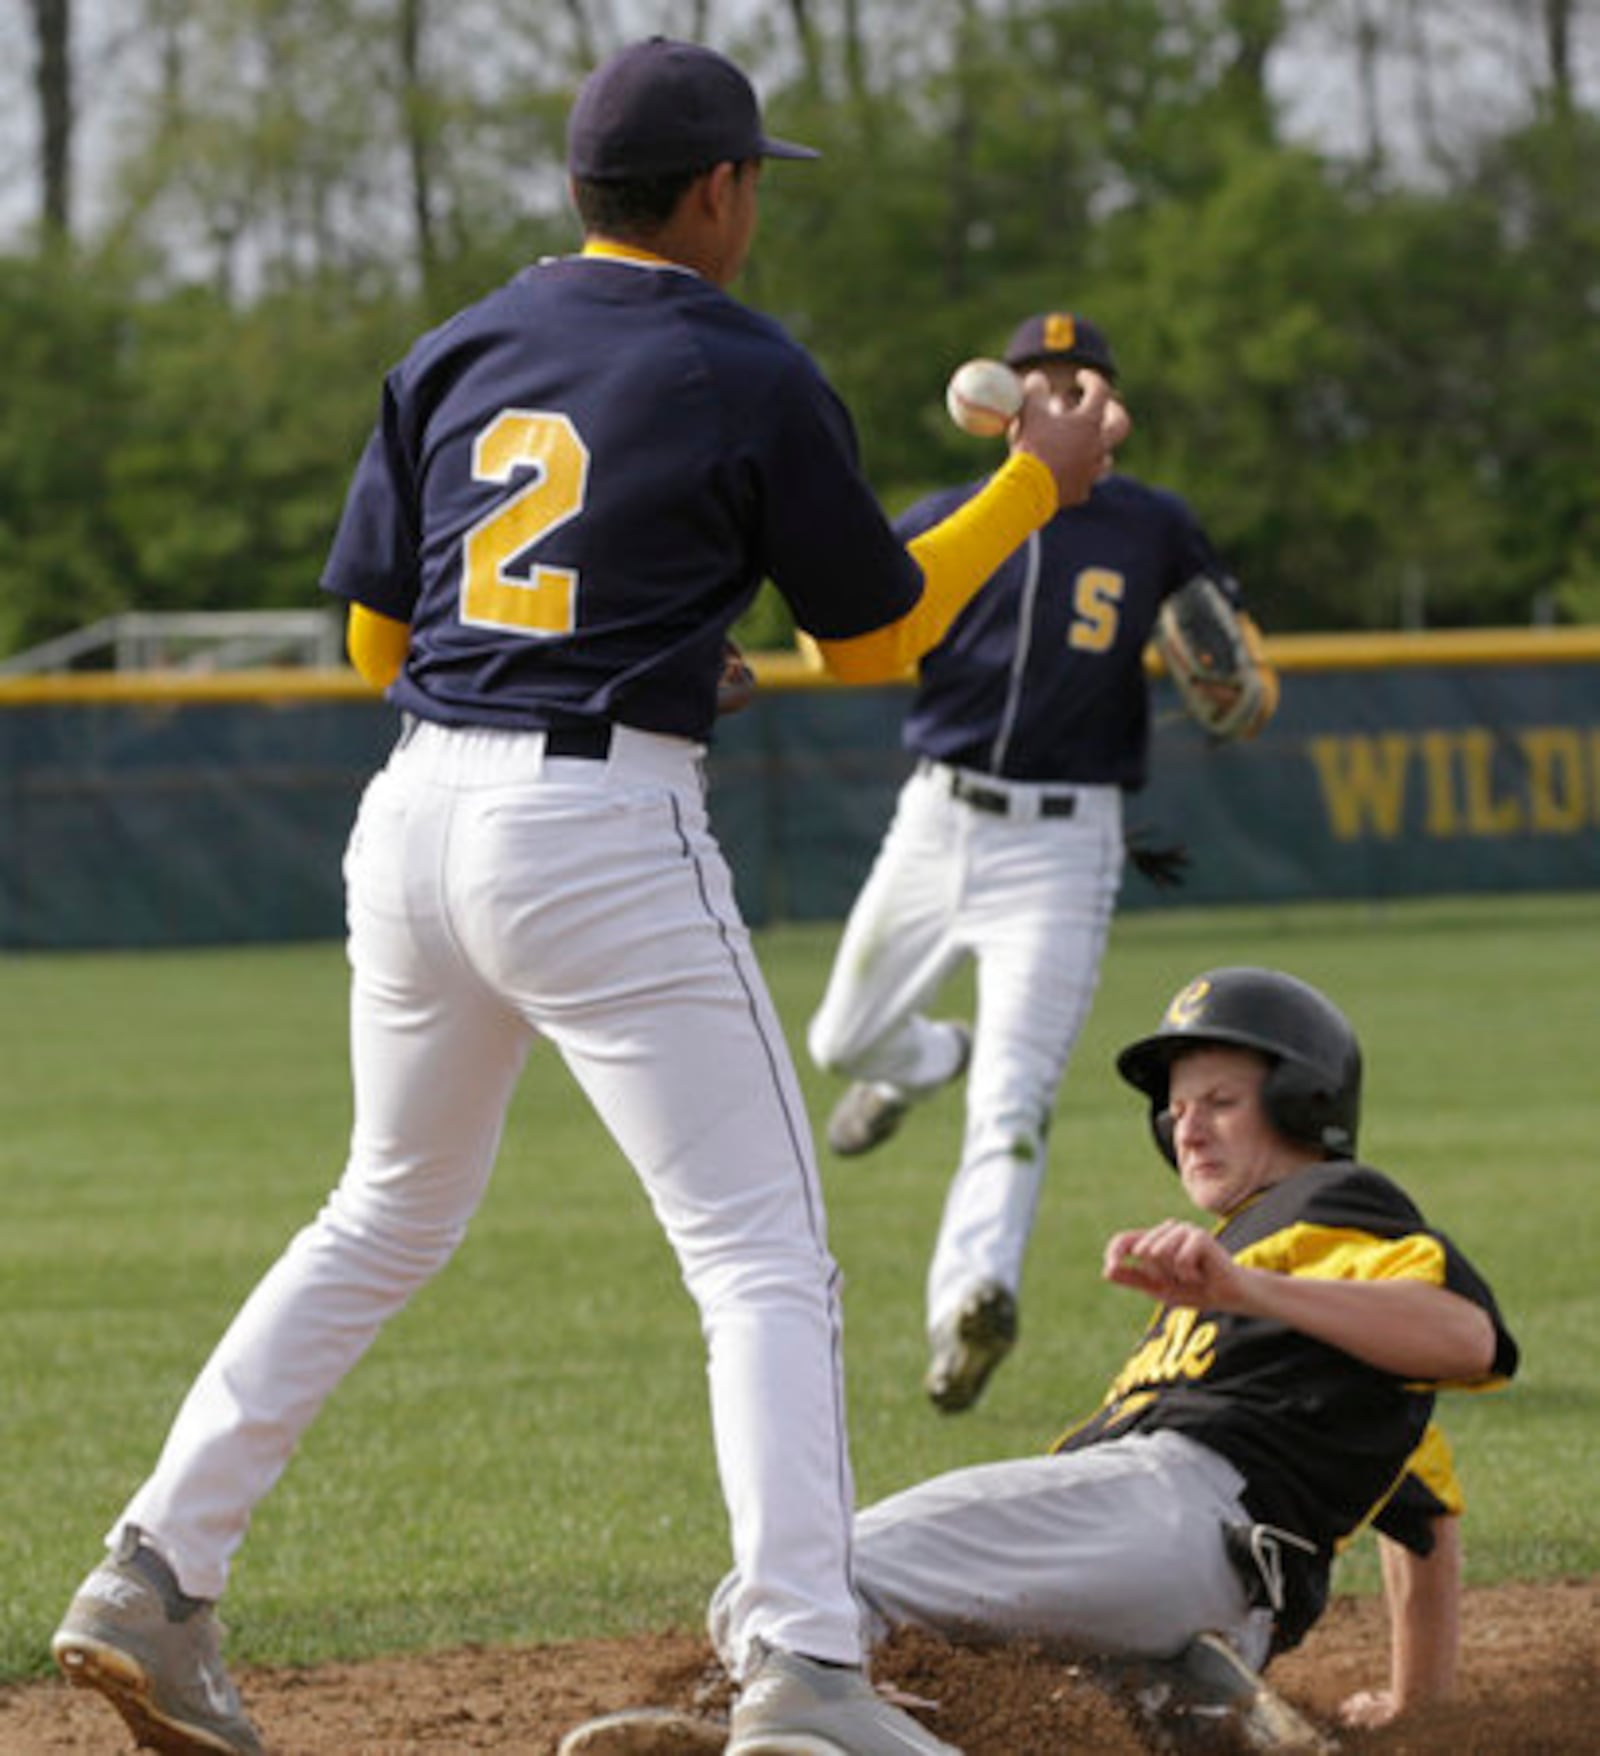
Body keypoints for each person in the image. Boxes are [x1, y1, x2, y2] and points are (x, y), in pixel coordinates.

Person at [49, 36, 1119, 1756]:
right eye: (754, 175)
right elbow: (881, 638)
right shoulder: (743, 360)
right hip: (594, 829)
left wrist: (672, 656)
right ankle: (807, 1670)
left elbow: (379, 641)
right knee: (764, 1255)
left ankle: (155, 1575)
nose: (754, 201)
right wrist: (1031, 488)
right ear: (714, 192)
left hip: (412, 818)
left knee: (383, 1211)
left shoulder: (459, 342)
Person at [710, 967, 1519, 1745]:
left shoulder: (1328, 1201)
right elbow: (1422, 1508)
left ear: (1302, 1103)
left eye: (1220, 1103)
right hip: (1208, 1588)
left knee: (803, 1592)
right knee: (966, 1670)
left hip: (1179, 1512)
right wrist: (1421, 1704)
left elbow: (1465, 1337)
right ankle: (1174, 1695)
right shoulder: (1285, 1308)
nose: (1187, 1128)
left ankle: (781, 1726)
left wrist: (1250, 1291)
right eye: (1176, 1110)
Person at [808, 310, 1279, 1414]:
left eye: (1085, 381)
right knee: (841, 1036)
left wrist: (1239, 683)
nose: (1066, 395)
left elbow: (1230, 659)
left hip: (1065, 847)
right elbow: (844, 630)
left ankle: (969, 1304)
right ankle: (929, 1058)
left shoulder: (1154, 527)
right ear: (1005, 405)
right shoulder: (947, 518)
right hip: (938, 818)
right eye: (1043, 379)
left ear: (1113, 411)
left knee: (1014, 1102)